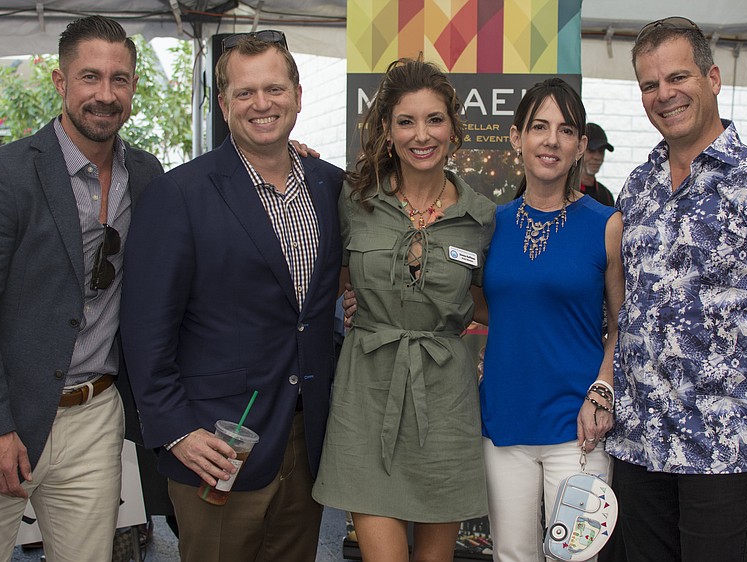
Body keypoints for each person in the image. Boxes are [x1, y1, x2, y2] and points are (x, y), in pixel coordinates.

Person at [120, 31, 344, 562]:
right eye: (245, 93)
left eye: (274, 88)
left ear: (298, 94)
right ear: (224, 105)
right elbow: (144, 331)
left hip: (307, 438)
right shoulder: (178, 196)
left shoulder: (333, 187)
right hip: (218, 445)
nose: (261, 104)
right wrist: (176, 432)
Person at [0, 15, 163, 562]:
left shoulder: (146, 176)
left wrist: (287, 159)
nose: (105, 93)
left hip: (96, 417)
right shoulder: (1, 175)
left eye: (119, 79)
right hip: (6, 420)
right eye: (90, 77)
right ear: (60, 82)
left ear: (133, 86)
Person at [608, 16, 747, 562]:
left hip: (722, 447)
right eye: (650, 85)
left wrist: (744, 389)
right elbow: (629, 307)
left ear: (713, 78)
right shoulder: (639, 187)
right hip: (639, 442)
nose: (664, 95)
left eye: (678, 77)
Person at [312, 58, 496, 562]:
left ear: (454, 126)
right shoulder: (352, 198)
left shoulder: (480, 216)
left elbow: (488, 302)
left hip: (446, 401)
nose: (422, 135)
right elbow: (336, 277)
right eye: (406, 121)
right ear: (387, 130)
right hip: (367, 394)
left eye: (434, 119)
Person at [477, 78, 623, 562]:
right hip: (505, 423)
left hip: (578, 428)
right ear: (517, 137)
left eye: (565, 130)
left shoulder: (606, 225)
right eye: (539, 127)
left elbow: (623, 327)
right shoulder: (490, 224)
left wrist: (603, 389)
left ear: (580, 145)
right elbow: (479, 304)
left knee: (574, 560)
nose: (551, 140)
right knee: (512, 555)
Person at [580, 122, 615, 206]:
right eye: (591, 150)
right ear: (579, 150)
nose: (597, 157)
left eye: (601, 151)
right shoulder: (562, 192)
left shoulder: (606, 196)